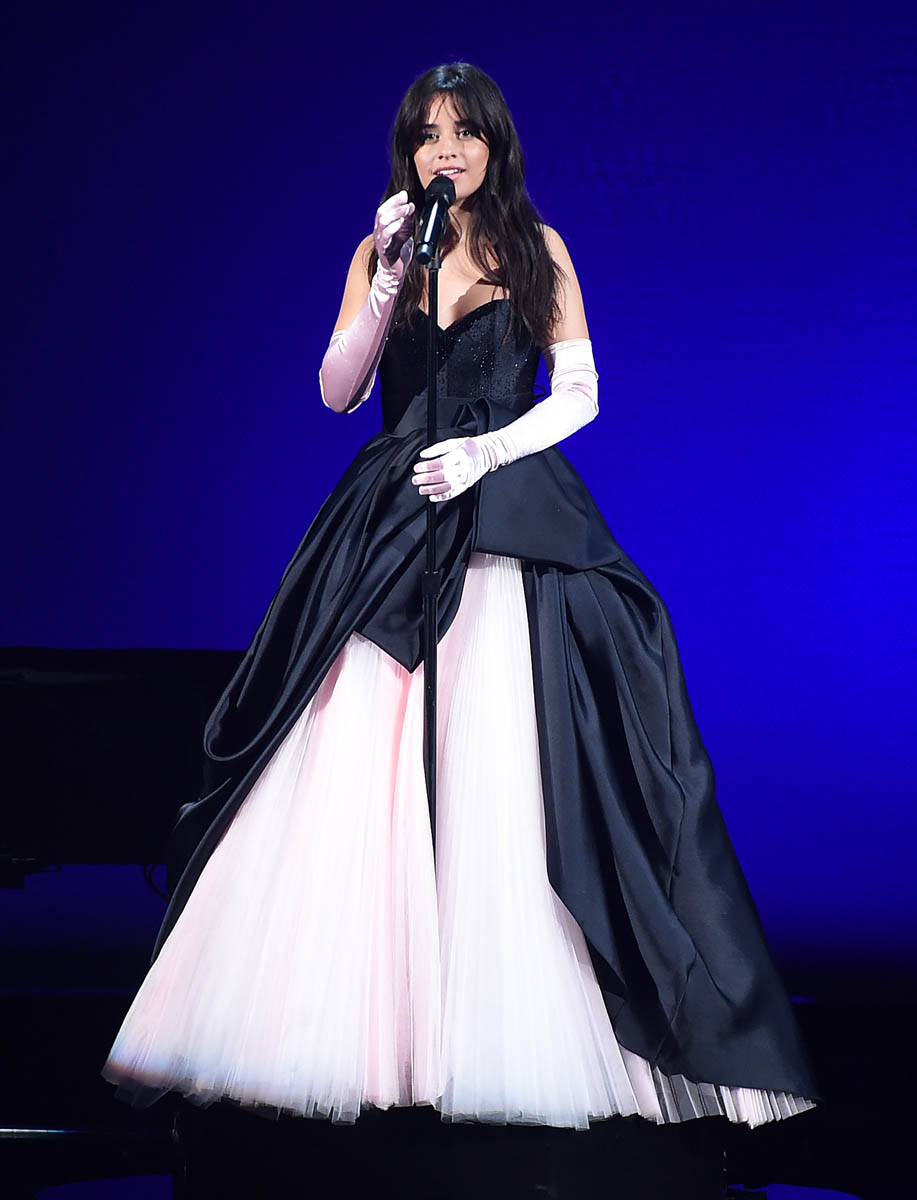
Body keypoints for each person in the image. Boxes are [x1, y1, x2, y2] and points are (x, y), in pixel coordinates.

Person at [103, 62, 817, 1133]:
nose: (447, 149)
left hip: (499, 509)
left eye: (465, 132)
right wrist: (386, 277)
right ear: (409, 152)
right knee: (359, 766)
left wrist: (487, 452)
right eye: (428, 133)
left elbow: (578, 394)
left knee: (499, 767)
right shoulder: (382, 249)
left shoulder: (538, 248)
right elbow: (338, 391)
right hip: (390, 518)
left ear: (494, 145)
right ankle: (370, 1038)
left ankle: (494, 1032)